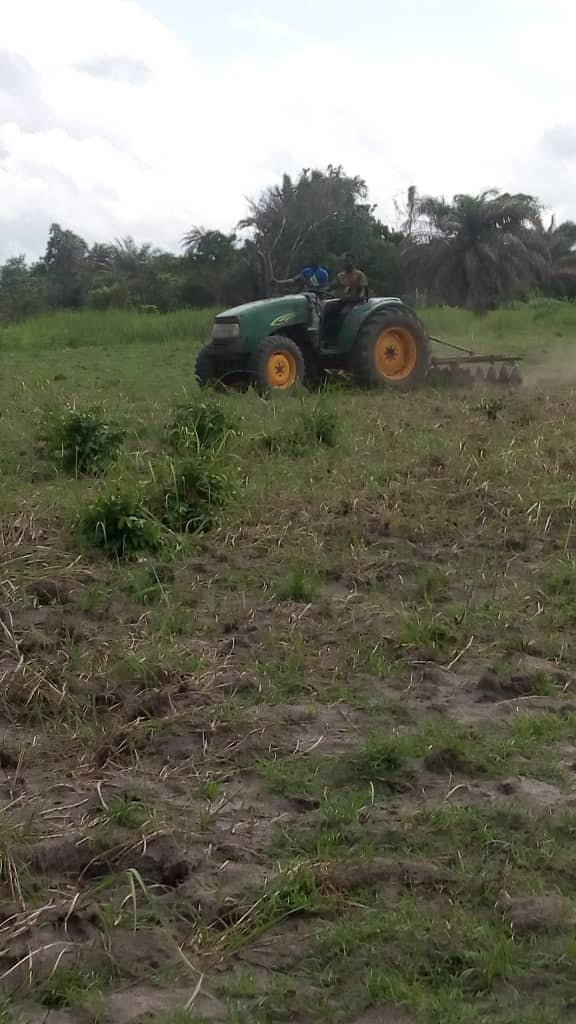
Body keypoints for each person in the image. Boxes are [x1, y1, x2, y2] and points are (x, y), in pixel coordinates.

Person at [272, 260, 330, 341]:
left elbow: (326, 287)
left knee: (313, 302)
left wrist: (317, 289)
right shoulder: (306, 271)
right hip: (306, 294)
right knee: (292, 297)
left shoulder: (323, 273)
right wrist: (278, 282)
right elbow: (294, 280)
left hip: (317, 296)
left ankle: (315, 328)